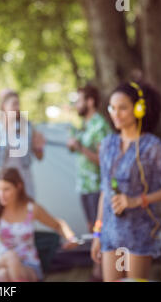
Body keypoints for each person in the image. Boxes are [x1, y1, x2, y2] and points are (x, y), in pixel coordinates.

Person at [91, 81, 161, 282]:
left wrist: (137, 200)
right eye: (112, 108)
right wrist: (97, 233)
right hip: (111, 234)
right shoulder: (107, 145)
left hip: (139, 234)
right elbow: (105, 191)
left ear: (139, 109)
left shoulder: (152, 146)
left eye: (123, 108)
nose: (116, 113)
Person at [0, 167, 78, 282]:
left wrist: (71, 238)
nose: (1, 194)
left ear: (19, 186)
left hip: (28, 266)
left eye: (6, 189)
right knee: (6, 265)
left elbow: (58, 224)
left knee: (6, 271)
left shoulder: (31, 209)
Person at [0, 89, 46, 198]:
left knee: (26, 210)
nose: (17, 107)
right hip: (2, 180)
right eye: (14, 104)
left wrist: (38, 147)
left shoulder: (27, 127)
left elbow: (40, 157)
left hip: (23, 179)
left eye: (18, 104)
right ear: (3, 106)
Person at [67, 85, 111, 232]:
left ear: (90, 102)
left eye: (79, 101)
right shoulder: (84, 124)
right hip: (84, 186)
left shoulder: (100, 125)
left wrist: (80, 148)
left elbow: (104, 161)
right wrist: (73, 146)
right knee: (91, 228)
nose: (76, 105)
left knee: (99, 229)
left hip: (97, 187)